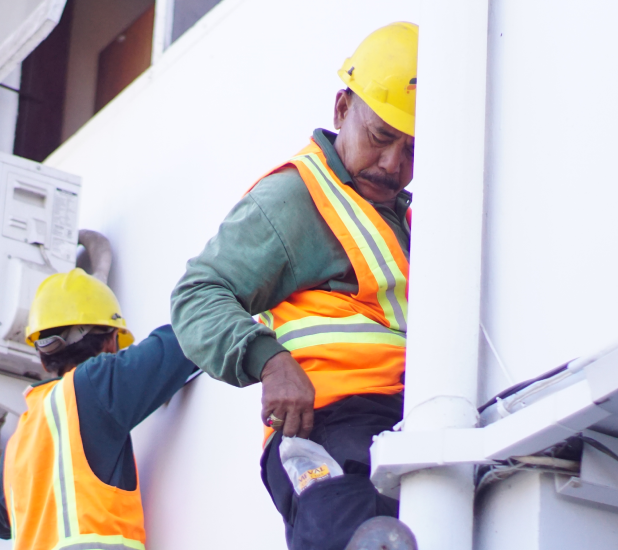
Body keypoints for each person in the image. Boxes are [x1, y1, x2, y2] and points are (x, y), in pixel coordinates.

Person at [169, 22, 420, 550]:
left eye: (413, 149)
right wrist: (270, 361)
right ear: (342, 109)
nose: (393, 165)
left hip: (401, 425)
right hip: (329, 430)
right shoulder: (296, 199)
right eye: (381, 137)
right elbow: (197, 295)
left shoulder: (404, 220)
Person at [0, 268, 199, 549]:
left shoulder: (21, 435)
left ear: (44, 358)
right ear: (110, 343)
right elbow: (184, 337)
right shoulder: (93, 384)